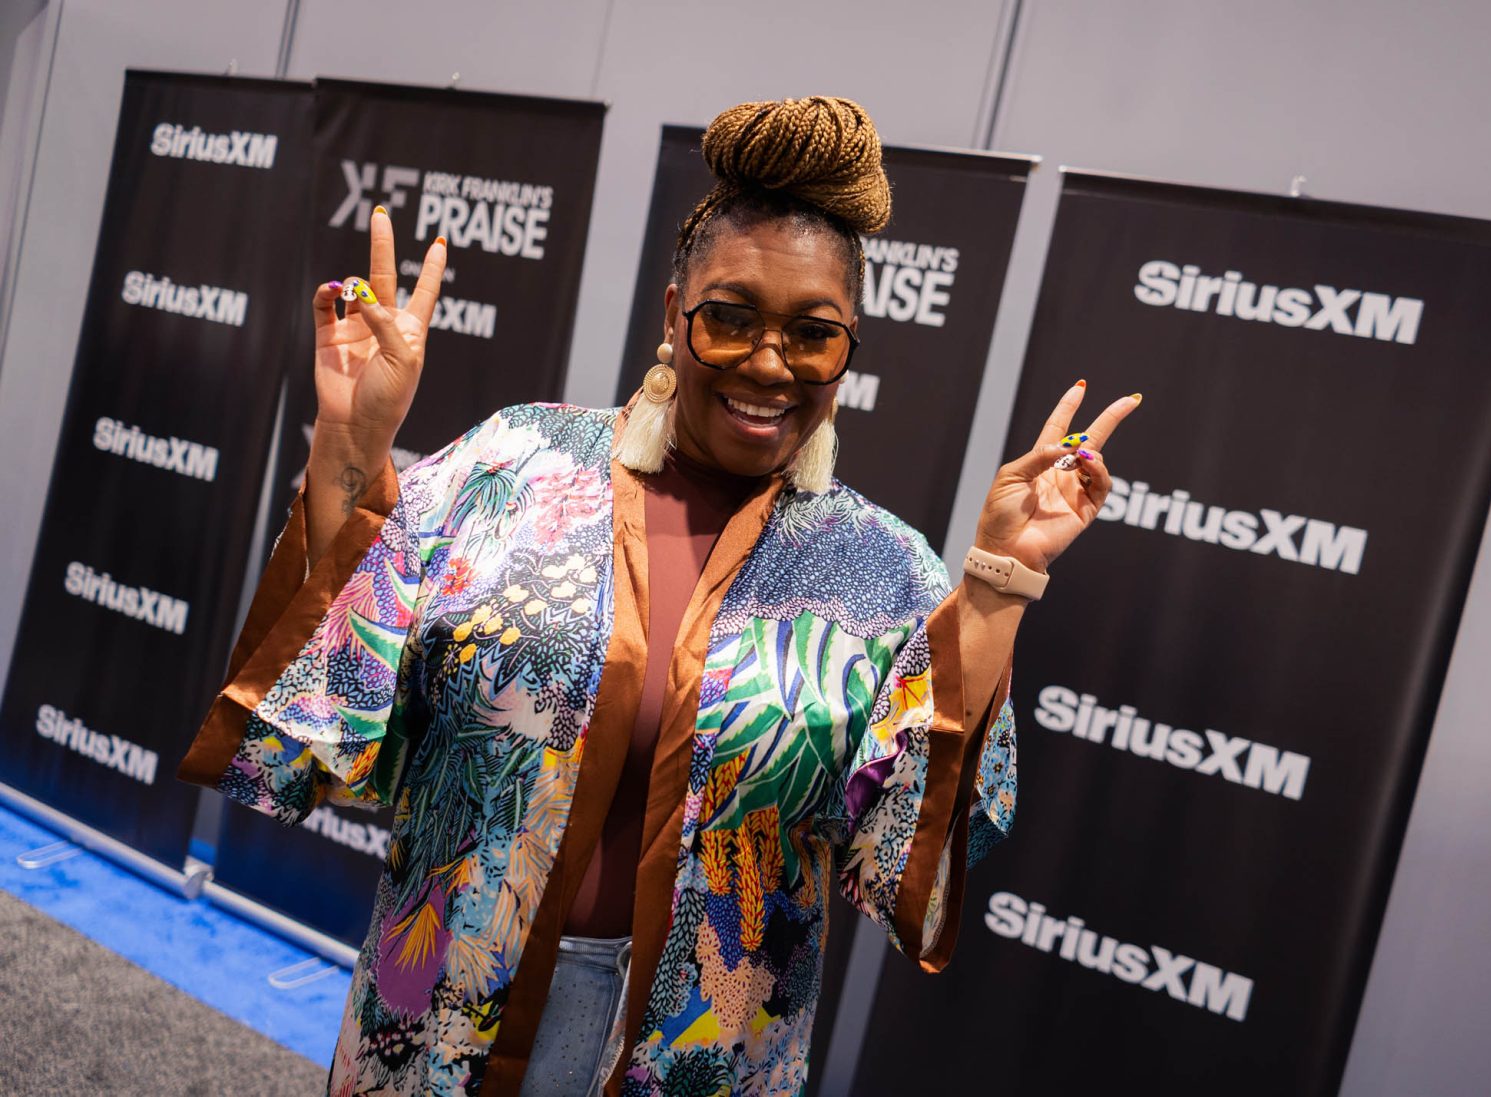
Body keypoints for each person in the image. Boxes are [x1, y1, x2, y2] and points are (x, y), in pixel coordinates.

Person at [178, 96, 1137, 1097]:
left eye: (813, 333)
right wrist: (351, 444)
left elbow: (900, 853)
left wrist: (995, 584)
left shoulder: (881, 567)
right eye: (729, 317)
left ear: (847, 347)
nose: (769, 363)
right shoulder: (517, 461)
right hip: (442, 1006)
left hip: (698, 1053)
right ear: (674, 313)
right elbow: (333, 699)